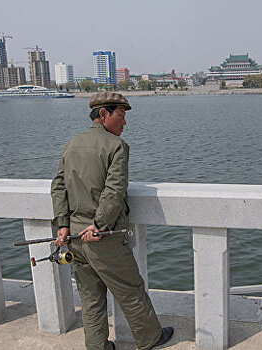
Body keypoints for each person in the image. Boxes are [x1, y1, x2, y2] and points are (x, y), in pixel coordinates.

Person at [51, 92, 173, 350]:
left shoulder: (71, 144)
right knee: (130, 289)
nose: (125, 123)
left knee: (90, 296)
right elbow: (114, 190)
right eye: (121, 115)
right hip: (101, 237)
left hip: (73, 236)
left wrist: (62, 225)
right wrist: (100, 225)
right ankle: (150, 338)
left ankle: (98, 347)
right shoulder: (117, 146)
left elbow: (58, 187)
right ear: (103, 114)